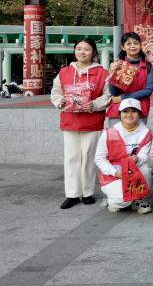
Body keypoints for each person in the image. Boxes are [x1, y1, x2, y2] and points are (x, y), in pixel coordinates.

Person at [50, 38, 112, 209]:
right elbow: (55, 92)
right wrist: (60, 102)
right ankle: (72, 194)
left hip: (92, 121)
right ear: (74, 51)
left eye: (87, 49)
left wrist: (94, 105)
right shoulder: (64, 72)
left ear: (93, 52)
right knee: (71, 158)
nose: (82, 52)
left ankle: (87, 192)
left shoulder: (102, 73)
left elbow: (108, 95)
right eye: (79, 48)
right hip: (70, 121)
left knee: (89, 158)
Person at [95, 98, 153, 214]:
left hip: (134, 169)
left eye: (134, 111)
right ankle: (113, 201)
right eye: (125, 111)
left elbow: (145, 155)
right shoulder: (109, 133)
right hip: (114, 173)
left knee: (146, 169)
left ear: (139, 114)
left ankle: (139, 198)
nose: (129, 115)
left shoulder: (145, 132)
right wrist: (115, 172)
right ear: (119, 114)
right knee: (122, 201)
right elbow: (99, 158)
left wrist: (138, 159)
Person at [106, 32, 153, 125]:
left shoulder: (147, 66)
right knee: (116, 135)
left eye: (136, 43)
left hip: (139, 110)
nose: (132, 46)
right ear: (123, 47)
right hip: (119, 111)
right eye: (128, 43)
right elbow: (114, 93)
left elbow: (148, 91)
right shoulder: (118, 64)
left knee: (139, 135)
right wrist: (112, 73)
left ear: (140, 45)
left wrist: (123, 97)